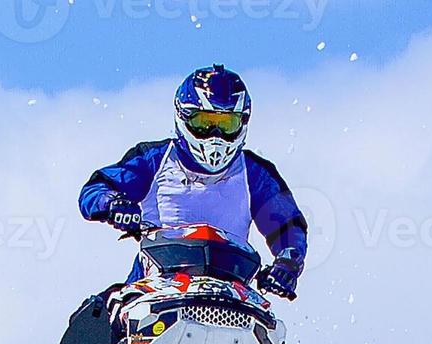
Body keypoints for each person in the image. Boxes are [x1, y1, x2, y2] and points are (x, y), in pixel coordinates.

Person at [78, 64, 308, 298]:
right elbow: (96, 188)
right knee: (96, 314)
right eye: (204, 123)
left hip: (232, 293)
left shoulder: (255, 173)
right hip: (154, 286)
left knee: (272, 327)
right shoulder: (154, 159)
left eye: (227, 124)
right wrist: (112, 204)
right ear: (183, 117)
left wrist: (286, 264)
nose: (215, 136)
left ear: (242, 123)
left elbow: (287, 224)